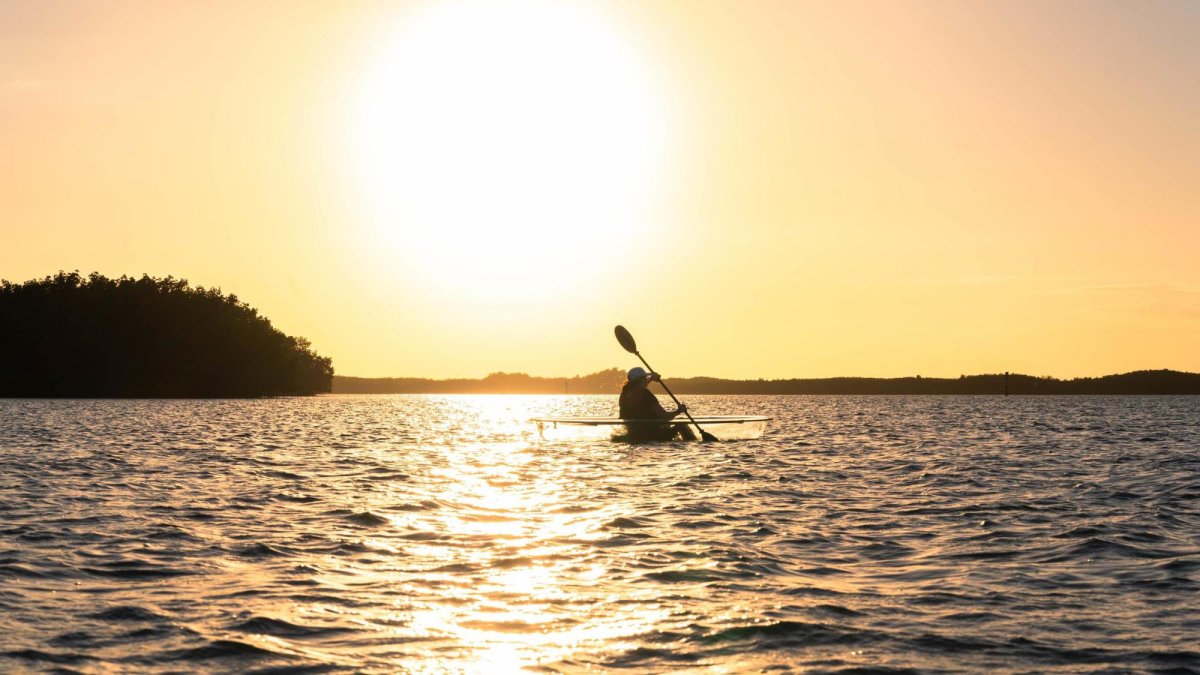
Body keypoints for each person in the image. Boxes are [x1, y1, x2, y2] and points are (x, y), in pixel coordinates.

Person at [618, 367, 697, 441]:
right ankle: (693, 441)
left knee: (665, 424)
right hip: (654, 434)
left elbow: (638, 391)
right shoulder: (646, 395)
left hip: (634, 434)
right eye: (645, 378)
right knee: (681, 423)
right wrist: (679, 411)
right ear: (641, 380)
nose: (646, 379)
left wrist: (651, 379)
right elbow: (666, 417)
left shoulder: (625, 393)